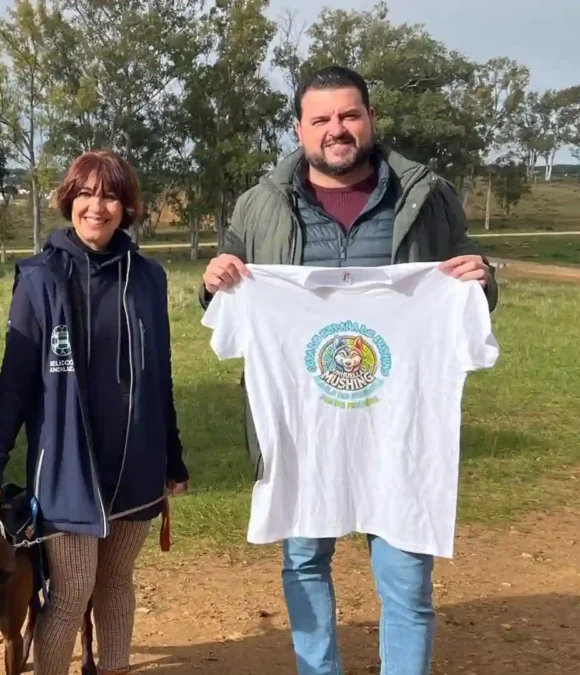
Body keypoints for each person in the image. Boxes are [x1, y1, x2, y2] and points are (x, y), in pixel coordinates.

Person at [199, 65, 498, 675]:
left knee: (406, 580)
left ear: (369, 119)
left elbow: (467, 289)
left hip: (400, 431)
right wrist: (216, 285)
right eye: (322, 119)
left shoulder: (427, 196)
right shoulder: (260, 205)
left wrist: (482, 281)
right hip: (303, 432)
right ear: (301, 129)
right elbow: (226, 298)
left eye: (348, 116)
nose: (337, 129)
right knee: (304, 561)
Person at [0, 150, 188, 675]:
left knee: (116, 585)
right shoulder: (39, 277)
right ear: (69, 199)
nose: (98, 207)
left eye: (111, 195)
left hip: (136, 466)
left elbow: (160, 374)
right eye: (86, 194)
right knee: (70, 593)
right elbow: (15, 383)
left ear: (127, 206)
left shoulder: (149, 279)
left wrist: (172, 459)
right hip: (68, 468)